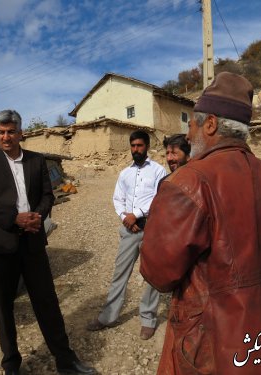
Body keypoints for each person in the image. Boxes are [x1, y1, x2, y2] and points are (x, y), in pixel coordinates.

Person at [140, 72, 261, 374]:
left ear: (210, 124)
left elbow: (157, 272)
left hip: (215, 349)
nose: (188, 136)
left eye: (191, 126)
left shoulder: (187, 181)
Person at [0, 109, 95, 375]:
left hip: (33, 243)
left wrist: (36, 216)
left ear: (20, 133)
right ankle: (11, 365)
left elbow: (48, 195)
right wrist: (15, 219)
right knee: (3, 308)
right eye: (1, 132)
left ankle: (65, 360)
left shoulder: (36, 160)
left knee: (47, 302)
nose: (6, 137)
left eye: (11, 132)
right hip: (2, 246)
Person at [86, 130, 167, 340]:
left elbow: (160, 198)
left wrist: (137, 215)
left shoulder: (158, 171)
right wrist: (125, 217)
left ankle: (148, 319)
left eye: (139, 146)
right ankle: (108, 317)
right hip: (129, 230)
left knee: (151, 276)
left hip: (151, 229)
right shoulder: (125, 174)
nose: (136, 150)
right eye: (133, 146)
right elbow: (117, 198)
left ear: (147, 146)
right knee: (119, 274)